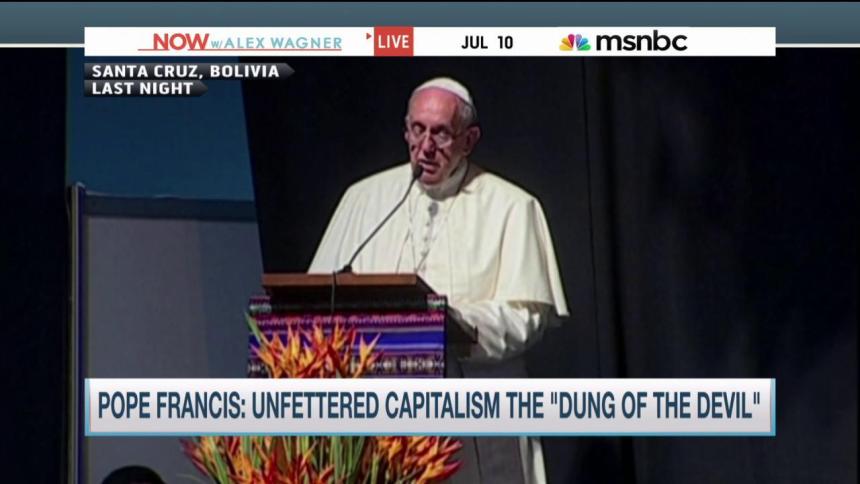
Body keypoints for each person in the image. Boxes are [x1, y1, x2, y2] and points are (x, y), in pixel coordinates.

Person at [309, 77, 568, 484]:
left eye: (441, 133)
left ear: (469, 140)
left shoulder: (512, 206)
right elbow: (317, 299)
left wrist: (452, 324)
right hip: (378, 415)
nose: (426, 147)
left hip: (476, 408)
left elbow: (527, 316)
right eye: (417, 130)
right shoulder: (363, 199)